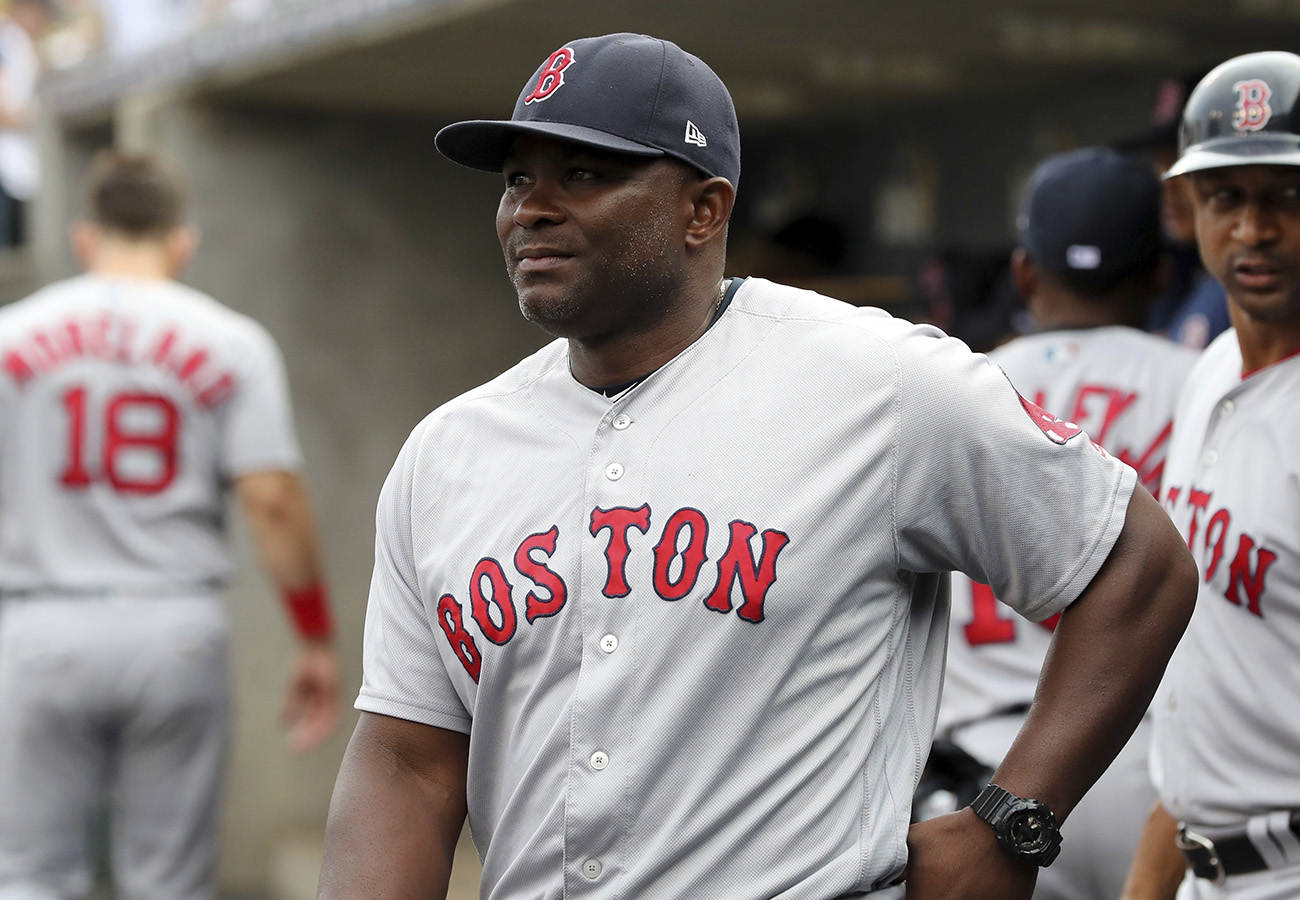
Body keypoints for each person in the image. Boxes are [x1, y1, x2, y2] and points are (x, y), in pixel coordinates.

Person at [317, 33, 1197, 900]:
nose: (530, 209)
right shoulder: (448, 452)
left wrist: (1012, 819)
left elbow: (1138, 564)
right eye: (516, 180)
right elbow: (408, 759)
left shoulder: (879, 382)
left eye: (581, 173)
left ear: (703, 210)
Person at [0, 151, 341, 900]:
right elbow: (273, 500)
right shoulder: (232, 341)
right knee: (169, 884)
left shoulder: (11, 334)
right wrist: (314, 636)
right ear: (181, 242)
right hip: (174, 627)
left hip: (42, 623)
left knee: (28, 879)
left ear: (83, 237)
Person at [929, 147, 1199, 900]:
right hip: (1153, 768)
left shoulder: (951, 385)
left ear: (1024, 273)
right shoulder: (1204, 385)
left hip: (985, 774)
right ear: (1161, 274)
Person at [1120, 50, 1300, 900]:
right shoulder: (1211, 368)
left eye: (1287, 197)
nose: (1254, 230)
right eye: (1227, 197)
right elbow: (1209, 693)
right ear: (1188, 207)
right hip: (1201, 860)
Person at [1116, 72, 1231, 350]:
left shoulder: (1257, 282)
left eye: (1182, 161)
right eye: (1160, 162)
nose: (1166, 181)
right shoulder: (1162, 270)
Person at [0, 0, 54, 248]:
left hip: (23, 165)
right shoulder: (7, 42)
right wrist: (39, 118)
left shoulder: (27, 48)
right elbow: (5, 114)